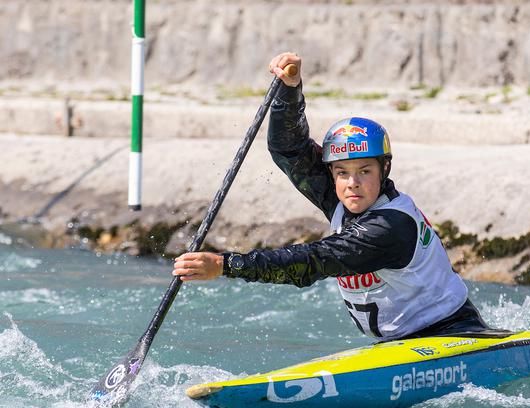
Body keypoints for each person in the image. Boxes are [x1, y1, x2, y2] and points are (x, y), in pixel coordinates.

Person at [172, 52, 495, 341]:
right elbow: (289, 150)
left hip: (452, 333)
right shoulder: (342, 197)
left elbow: (310, 262)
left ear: (384, 170)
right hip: (400, 345)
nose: (352, 183)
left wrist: (227, 265)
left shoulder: (388, 226)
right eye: (342, 172)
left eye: (364, 171)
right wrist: (290, 90)